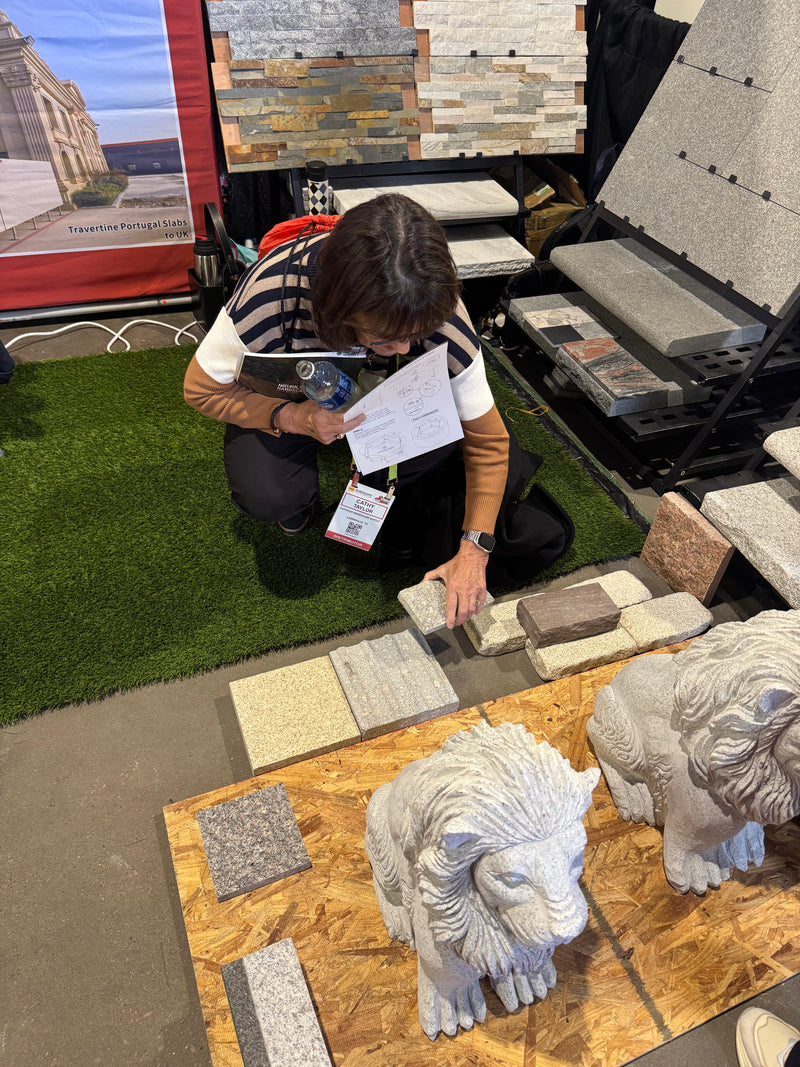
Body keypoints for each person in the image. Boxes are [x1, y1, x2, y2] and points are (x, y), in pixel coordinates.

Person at [184, 193, 510, 629]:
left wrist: (474, 550)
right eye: (385, 338)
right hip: (291, 395)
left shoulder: (441, 317)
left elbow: (489, 442)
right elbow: (200, 390)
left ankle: (380, 476)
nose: (404, 346)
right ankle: (301, 496)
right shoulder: (269, 299)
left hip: (389, 398)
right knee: (269, 494)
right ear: (338, 310)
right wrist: (289, 417)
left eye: (416, 335)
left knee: (436, 442)